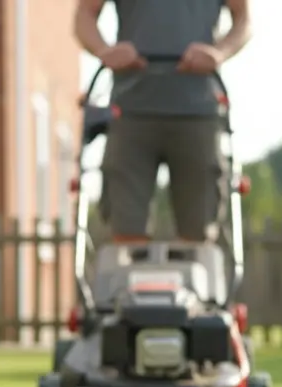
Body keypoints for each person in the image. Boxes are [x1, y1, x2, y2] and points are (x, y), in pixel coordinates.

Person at [74, 0, 252, 244]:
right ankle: (130, 280)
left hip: (198, 113)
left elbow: (243, 19)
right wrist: (105, 51)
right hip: (131, 113)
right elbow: (84, 14)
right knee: (126, 231)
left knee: (198, 232)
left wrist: (219, 53)